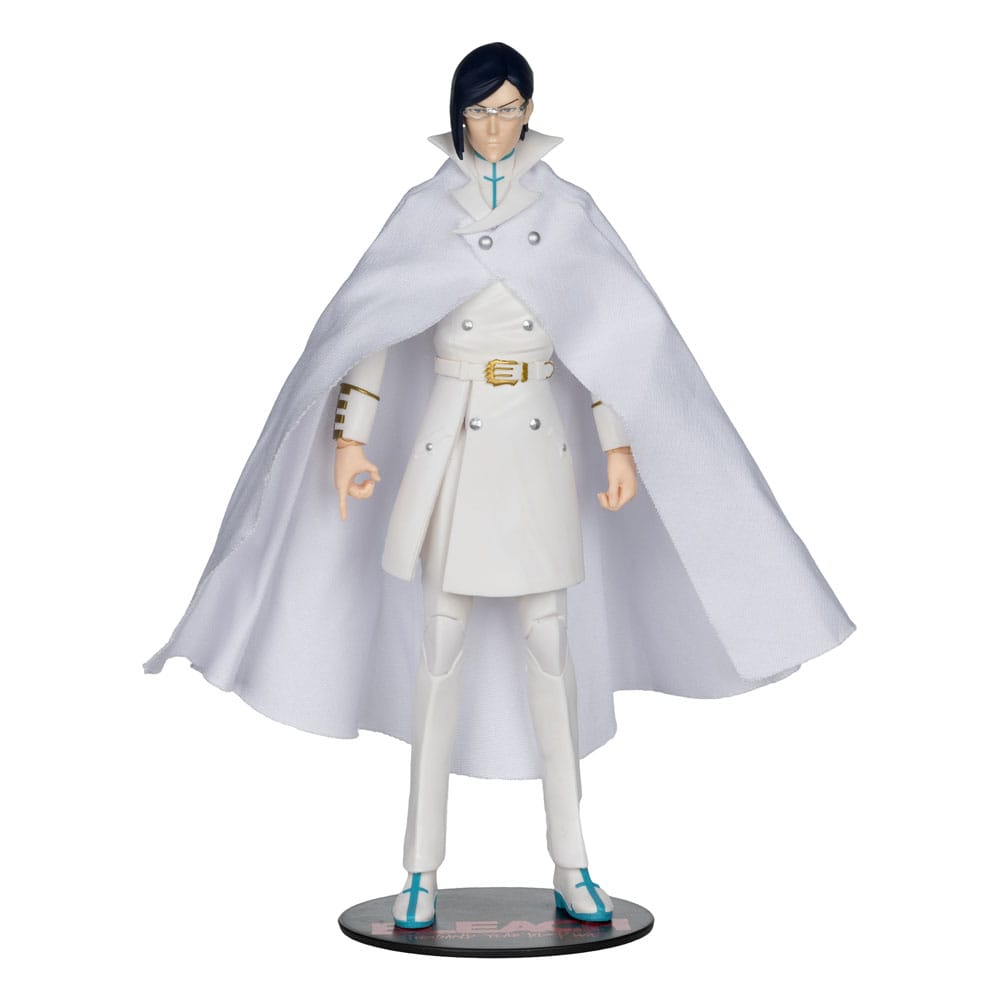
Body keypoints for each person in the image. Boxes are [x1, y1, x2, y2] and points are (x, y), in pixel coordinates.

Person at [145, 42, 855, 931]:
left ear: (530, 112)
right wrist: (349, 439)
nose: (495, 125)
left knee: (551, 657)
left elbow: (612, 341)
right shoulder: (423, 211)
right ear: (459, 116)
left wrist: (619, 446)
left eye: (510, 108)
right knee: (436, 658)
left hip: (536, 448)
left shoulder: (567, 209)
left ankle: (572, 862)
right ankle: (419, 870)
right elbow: (371, 328)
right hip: (452, 446)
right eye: (481, 110)